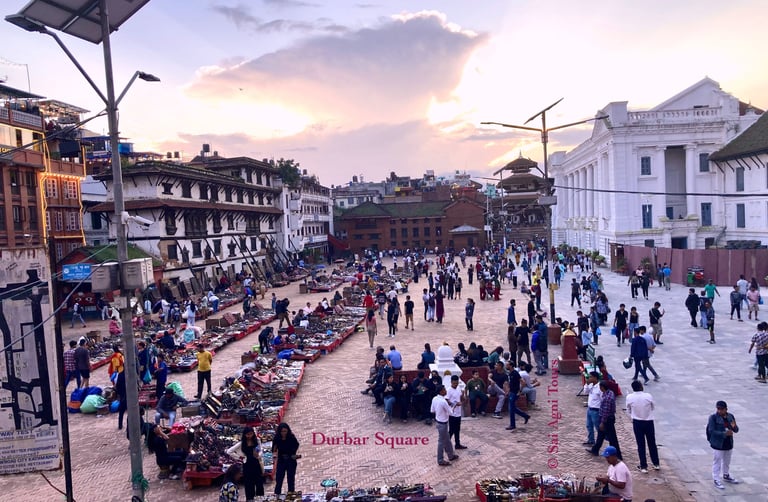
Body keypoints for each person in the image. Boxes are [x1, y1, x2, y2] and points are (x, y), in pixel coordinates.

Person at [626, 380, 659, 473]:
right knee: (652, 443)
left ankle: (643, 466)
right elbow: (653, 407)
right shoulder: (648, 396)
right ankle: (656, 463)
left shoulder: (630, 397)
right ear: (641, 386)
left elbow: (628, 410)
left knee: (641, 444)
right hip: (648, 421)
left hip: (637, 422)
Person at [707, 400, 740, 489]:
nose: (719, 411)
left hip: (728, 442)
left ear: (726, 409)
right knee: (717, 461)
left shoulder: (730, 416)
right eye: (718, 409)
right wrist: (724, 434)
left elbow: (736, 429)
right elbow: (711, 431)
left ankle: (726, 475)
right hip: (718, 444)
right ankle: (716, 479)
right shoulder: (713, 418)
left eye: (721, 409)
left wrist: (734, 427)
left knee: (727, 461)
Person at [226, 426, 265, 500]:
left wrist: (258, 455)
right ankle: (250, 499)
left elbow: (260, 450)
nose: (249, 436)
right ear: (245, 435)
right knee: (249, 485)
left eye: (251, 434)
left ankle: (260, 499)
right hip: (247, 465)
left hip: (256, 464)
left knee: (259, 484)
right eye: (248, 434)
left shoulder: (257, 440)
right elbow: (229, 451)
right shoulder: (242, 443)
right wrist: (239, 457)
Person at [587, 380, 622, 460]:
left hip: (607, 420)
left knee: (612, 438)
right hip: (608, 418)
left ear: (602, 387)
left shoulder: (607, 398)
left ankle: (617, 454)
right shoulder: (609, 393)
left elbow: (606, 411)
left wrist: (602, 422)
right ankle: (595, 450)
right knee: (600, 435)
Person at [430, 385, 459, 466]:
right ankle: (440, 460)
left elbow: (432, 410)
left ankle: (451, 455)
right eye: (444, 390)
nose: (446, 391)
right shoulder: (443, 401)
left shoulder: (434, 399)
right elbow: (451, 413)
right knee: (441, 442)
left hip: (439, 422)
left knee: (447, 440)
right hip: (443, 423)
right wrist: (454, 406)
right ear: (441, 391)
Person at [272, 422, 300, 496]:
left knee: (290, 479)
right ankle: (277, 494)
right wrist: (274, 454)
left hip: (291, 460)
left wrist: (293, 453)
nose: (283, 433)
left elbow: (296, 445)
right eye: (282, 431)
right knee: (279, 478)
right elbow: (274, 449)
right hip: (281, 460)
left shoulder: (291, 437)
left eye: (285, 431)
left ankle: (291, 495)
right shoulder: (277, 438)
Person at [505, 361, 531, 432]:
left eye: (507, 365)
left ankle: (512, 425)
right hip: (511, 392)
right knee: (512, 408)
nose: (506, 366)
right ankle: (525, 416)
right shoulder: (510, 373)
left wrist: (520, 391)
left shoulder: (515, 373)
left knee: (511, 409)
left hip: (514, 393)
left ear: (511, 366)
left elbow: (523, 382)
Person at [446, 375, 467, 449]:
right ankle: (446, 444)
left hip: (458, 413)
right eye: (454, 383)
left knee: (457, 429)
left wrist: (463, 396)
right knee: (451, 430)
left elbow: (461, 397)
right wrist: (454, 404)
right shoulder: (449, 390)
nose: (455, 384)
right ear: (451, 382)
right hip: (452, 413)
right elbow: (447, 400)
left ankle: (457, 444)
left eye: (457, 383)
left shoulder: (458, 388)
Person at [582, 371, 602, 447]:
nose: (589, 378)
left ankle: (607, 439)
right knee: (589, 425)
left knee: (598, 427)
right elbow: (585, 392)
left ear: (595, 378)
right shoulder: (590, 385)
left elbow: (602, 399)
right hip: (589, 408)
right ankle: (591, 440)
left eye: (591, 377)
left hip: (596, 410)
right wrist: (587, 384)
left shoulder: (600, 387)